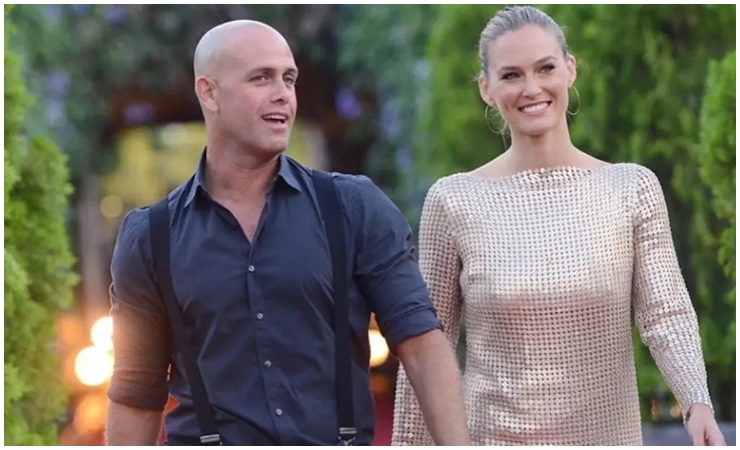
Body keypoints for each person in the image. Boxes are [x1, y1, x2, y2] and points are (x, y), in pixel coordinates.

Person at [105, 20, 469, 446]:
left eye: (289, 79)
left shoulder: (353, 207)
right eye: (261, 78)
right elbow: (136, 393)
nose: (283, 94)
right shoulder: (151, 236)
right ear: (209, 92)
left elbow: (422, 345)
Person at [391, 6, 725, 447]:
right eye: (512, 75)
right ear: (487, 89)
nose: (532, 88)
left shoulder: (630, 188)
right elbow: (428, 345)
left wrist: (697, 402)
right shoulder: (454, 201)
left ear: (570, 70)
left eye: (545, 68)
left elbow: (666, 314)